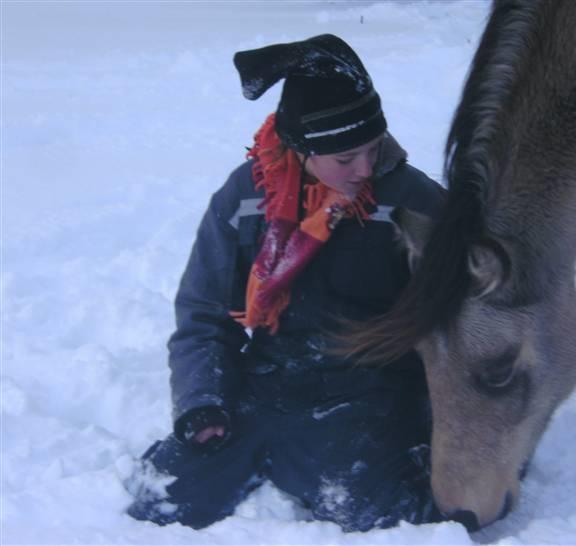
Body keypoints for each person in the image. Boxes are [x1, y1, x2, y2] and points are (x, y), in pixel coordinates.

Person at [125, 34, 445, 532]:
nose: (365, 169)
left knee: (384, 514)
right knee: (163, 498)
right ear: (299, 147)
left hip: (370, 390)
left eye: (372, 149)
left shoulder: (412, 201)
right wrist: (204, 401)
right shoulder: (247, 194)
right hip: (270, 383)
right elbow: (205, 312)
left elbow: (477, 313)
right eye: (345, 159)